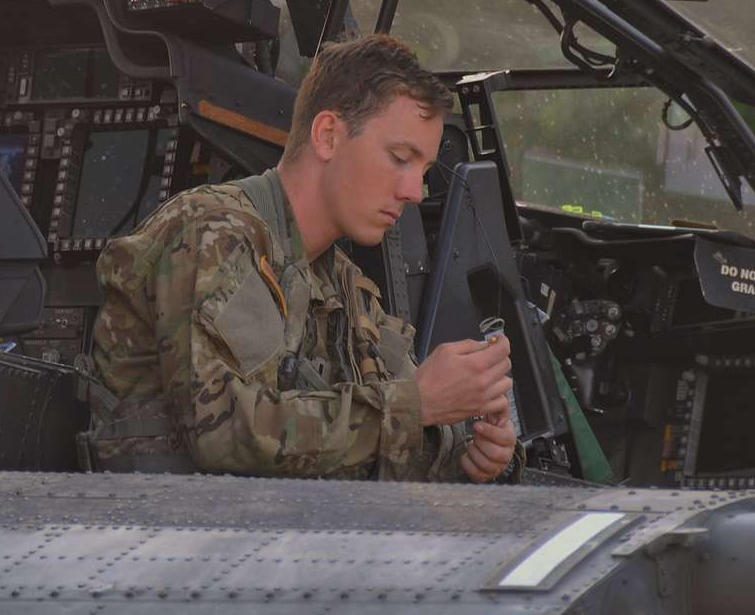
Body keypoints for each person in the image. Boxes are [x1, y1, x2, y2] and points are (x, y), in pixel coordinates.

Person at [83, 34, 518, 481]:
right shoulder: (214, 233)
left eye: (424, 172)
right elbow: (223, 430)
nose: (413, 192)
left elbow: (374, 435)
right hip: (167, 534)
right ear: (328, 135)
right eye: (399, 158)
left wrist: (466, 453)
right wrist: (416, 404)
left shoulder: (341, 284)